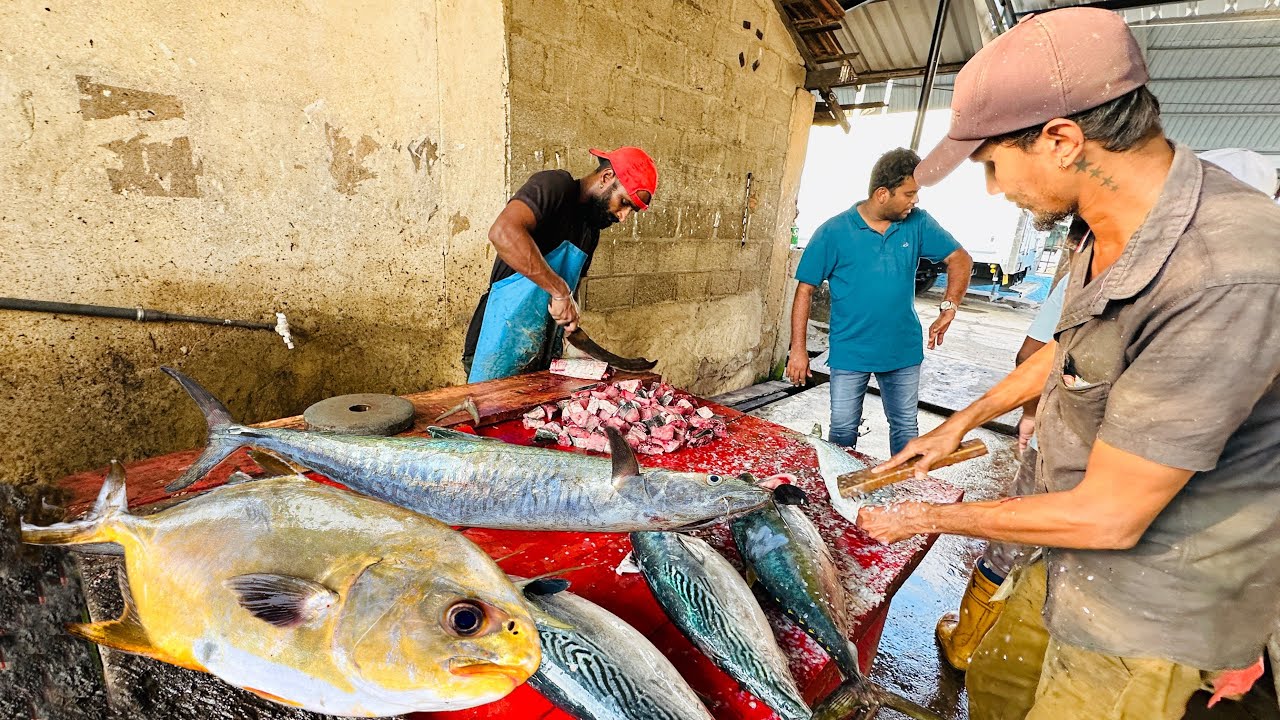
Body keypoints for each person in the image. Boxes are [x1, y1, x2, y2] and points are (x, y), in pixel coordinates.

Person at [857, 7, 1280, 719]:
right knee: (995, 691)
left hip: (1146, 614)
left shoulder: (1223, 270)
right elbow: (1074, 351)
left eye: (993, 165)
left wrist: (925, 517)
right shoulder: (1109, 226)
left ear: (1060, 140)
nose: (994, 189)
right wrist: (962, 421)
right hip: (1061, 561)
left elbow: (1112, 518)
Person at [786, 148, 972, 455]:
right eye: (909, 193)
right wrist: (798, 350)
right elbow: (804, 290)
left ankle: (902, 484)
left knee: (905, 428)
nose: (915, 201)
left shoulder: (918, 223)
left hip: (902, 350)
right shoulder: (833, 232)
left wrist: (949, 305)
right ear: (882, 194)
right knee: (842, 429)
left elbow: (960, 258)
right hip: (850, 351)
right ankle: (841, 483)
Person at [463, 147, 657, 382]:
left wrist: (570, 326)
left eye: (630, 211)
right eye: (624, 203)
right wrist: (559, 291)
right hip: (495, 340)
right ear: (607, 177)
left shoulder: (590, 232)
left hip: (538, 353)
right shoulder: (556, 186)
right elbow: (502, 232)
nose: (623, 216)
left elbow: (568, 296)